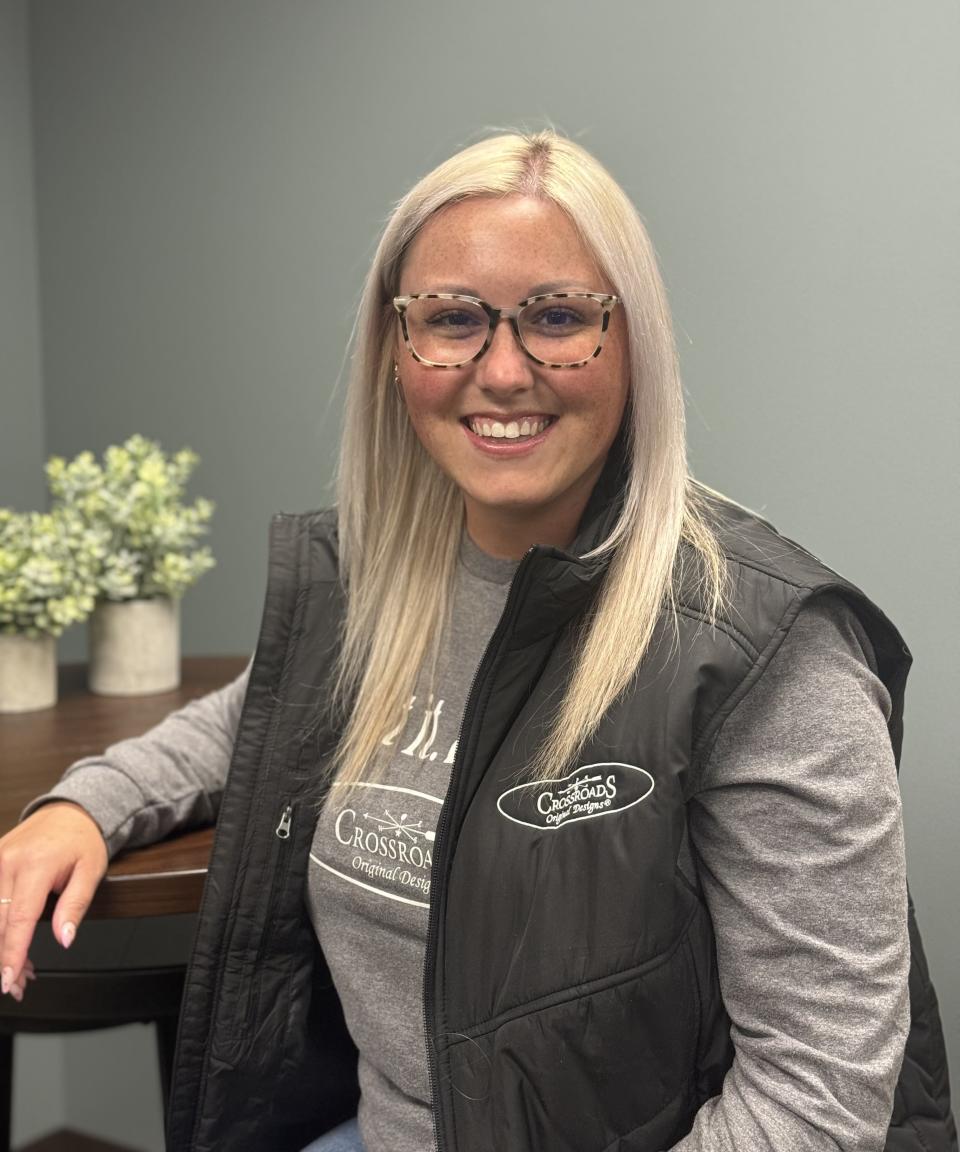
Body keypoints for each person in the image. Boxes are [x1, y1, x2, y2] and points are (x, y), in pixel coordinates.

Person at [0, 131, 954, 1152]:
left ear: (635, 343)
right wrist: (83, 809)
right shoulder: (379, 582)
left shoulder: (768, 652)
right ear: (395, 353)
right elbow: (242, 726)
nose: (503, 372)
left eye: (556, 318)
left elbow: (817, 1099)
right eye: (452, 319)